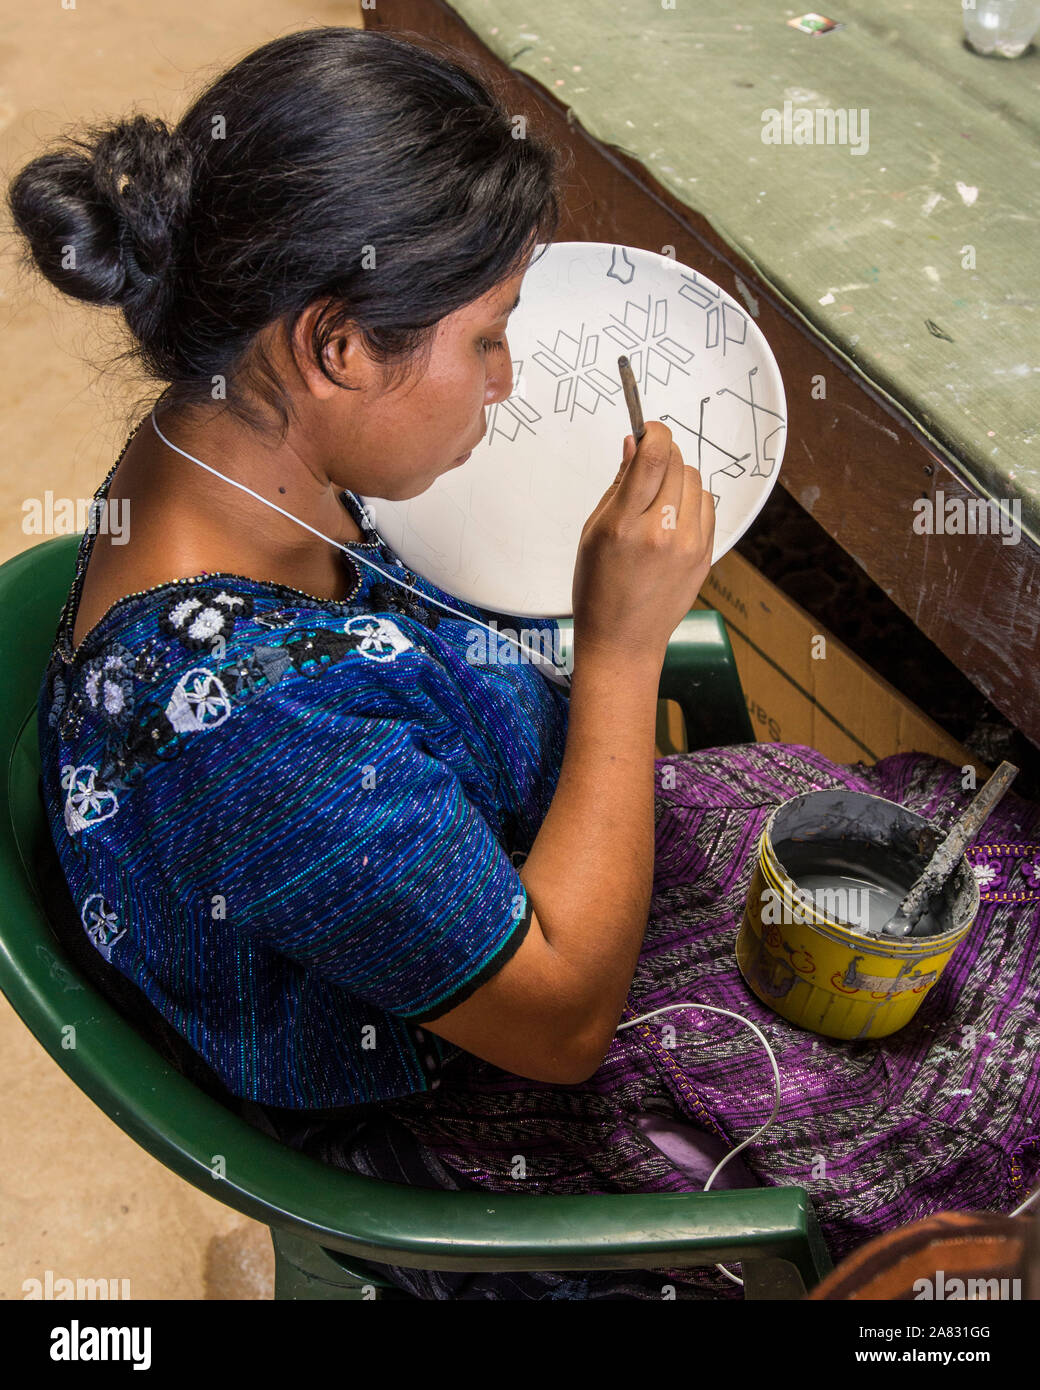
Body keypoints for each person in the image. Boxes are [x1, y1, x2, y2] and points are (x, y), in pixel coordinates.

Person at [8, 25, 1040, 1302]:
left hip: (483, 861)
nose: (504, 383)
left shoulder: (218, 439)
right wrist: (618, 648)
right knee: (970, 1166)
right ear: (335, 345)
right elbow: (556, 1027)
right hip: (470, 1094)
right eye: (487, 337)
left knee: (971, 875)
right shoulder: (251, 732)